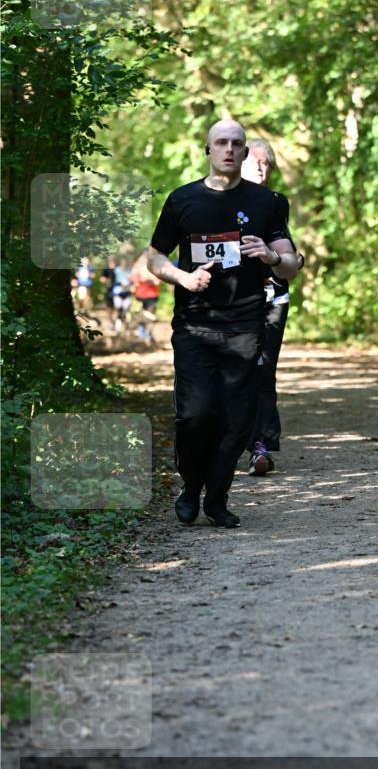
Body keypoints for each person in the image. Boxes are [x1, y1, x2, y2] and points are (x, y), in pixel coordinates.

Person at [147, 118, 299, 528]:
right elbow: (154, 257)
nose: (229, 150)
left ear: (246, 153)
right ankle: (190, 486)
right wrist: (183, 277)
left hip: (246, 326)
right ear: (208, 150)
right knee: (195, 415)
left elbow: (291, 265)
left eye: (236, 144)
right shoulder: (183, 201)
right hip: (195, 326)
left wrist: (270, 256)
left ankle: (217, 496)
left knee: (236, 420)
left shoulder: (268, 203)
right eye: (221, 143)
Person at [242, 139, 304, 476]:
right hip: (233, 301)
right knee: (233, 372)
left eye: (267, 163)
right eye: (255, 162)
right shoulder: (219, 200)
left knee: (263, 370)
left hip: (273, 298)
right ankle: (224, 443)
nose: (261, 168)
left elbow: (285, 248)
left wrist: (292, 260)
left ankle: (260, 448)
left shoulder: (277, 202)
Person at [130, 248, 161, 342]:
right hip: (140, 295)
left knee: (151, 316)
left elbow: (158, 280)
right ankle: (142, 334)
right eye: (144, 255)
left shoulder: (155, 266)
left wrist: (152, 280)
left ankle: (149, 334)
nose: (145, 257)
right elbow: (133, 279)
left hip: (152, 295)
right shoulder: (137, 266)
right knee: (142, 316)